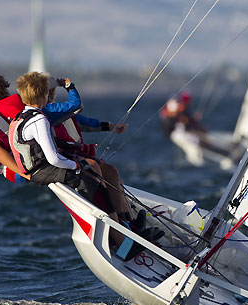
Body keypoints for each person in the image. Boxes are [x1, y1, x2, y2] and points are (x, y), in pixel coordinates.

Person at [9, 72, 155, 260]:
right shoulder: (38, 119)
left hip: (40, 169)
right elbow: (53, 159)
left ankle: (125, 228)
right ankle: (123, 244)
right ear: (44, 95)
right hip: (44, 170)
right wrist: (76, 166)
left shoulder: (23, 116)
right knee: (97, 188)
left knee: (98, 177)